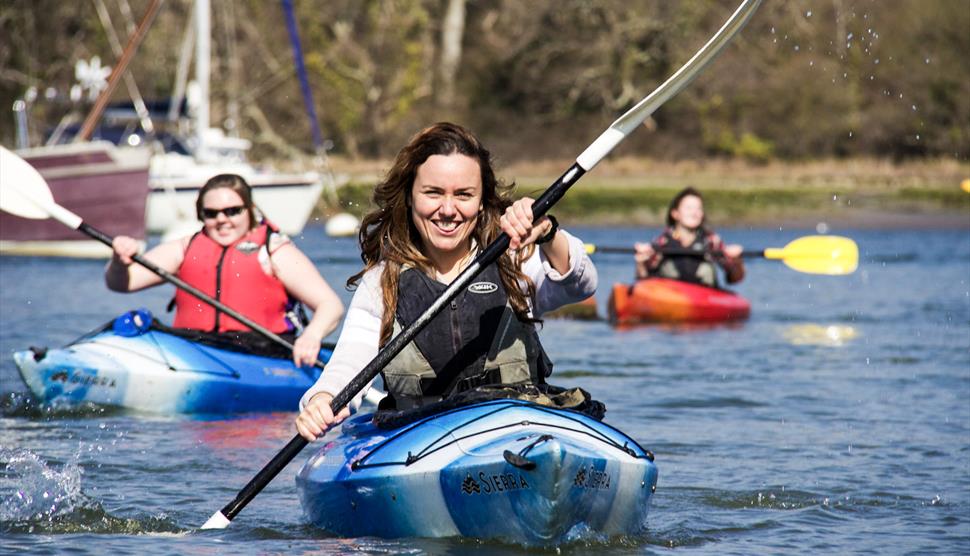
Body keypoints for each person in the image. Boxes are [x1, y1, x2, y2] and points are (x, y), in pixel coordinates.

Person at [294, 122, 597, 441]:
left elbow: (581, 284)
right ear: (410, 197)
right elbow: (349, 361)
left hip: (517, 434)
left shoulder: (516, 259)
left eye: (464, 195)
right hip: (419, 443)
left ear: (481, 201)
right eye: (433, 193)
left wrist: (548, 234)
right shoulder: (381, 283)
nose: (448, 210)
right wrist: (322, 399)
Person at [105, 173, 344, 367]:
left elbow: (330, 306)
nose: (222, 219)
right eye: (211, 213)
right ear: (201, 215)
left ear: (249, 209)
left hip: (261, 353)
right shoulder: (185, 248)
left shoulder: (274, 250)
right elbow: (122, 283)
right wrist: (119, 260)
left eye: (232, 211)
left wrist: (312, 336)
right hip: (194, 348)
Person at [633, 186, 744, 287]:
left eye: (698, 208)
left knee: (706, 270)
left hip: (704, 298)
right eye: (689, 208)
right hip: (670, 296)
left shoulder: (710, 241)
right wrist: (641, 262)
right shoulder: (663, 241)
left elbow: (734, 279)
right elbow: (643, 279)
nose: (694, 213)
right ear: (675, 213)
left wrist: (737, 261)